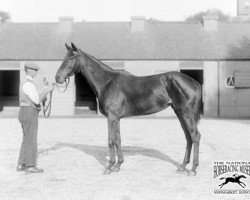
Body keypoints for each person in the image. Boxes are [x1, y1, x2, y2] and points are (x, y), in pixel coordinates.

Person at [17, 62, 54, 174]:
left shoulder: (27, 83)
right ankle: (30, 166)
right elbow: (37, 100)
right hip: (30, 112)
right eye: (34, 70)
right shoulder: (29, 84)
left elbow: (35, 97)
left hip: (24, 111)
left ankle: (21, 164)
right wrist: (47, 90)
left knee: (26, 139)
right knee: (31, 139)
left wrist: (44, 92)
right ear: (28, 70)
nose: (36, 72)